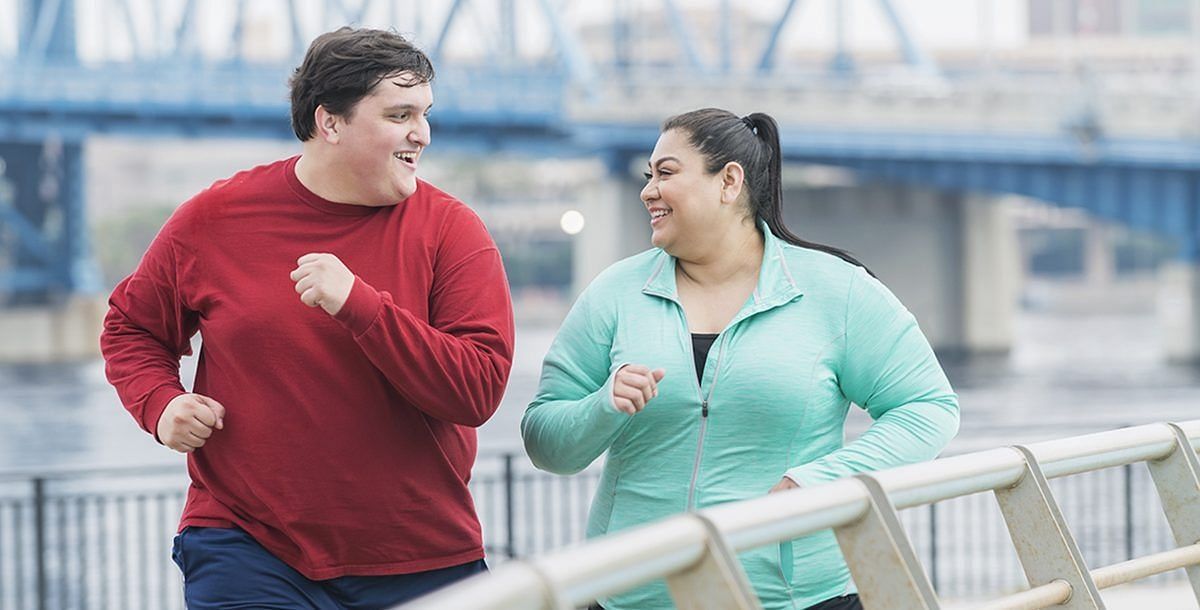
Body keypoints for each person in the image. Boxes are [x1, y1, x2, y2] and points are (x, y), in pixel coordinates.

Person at [100, 27, 514, 609]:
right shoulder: (213, 218)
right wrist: (160, 403)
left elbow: (477, 391)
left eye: (424, 114)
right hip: (245, 544)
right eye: (399, 114)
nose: (421, 133)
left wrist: (361, 306)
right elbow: (131, 326)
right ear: (331, 122)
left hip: (420, 555)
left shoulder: (454, 230)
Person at [521, 108, 959, 610]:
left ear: (729, 181)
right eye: (648, 176)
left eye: (665, 173)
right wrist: (602, 405)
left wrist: (817, 481)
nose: (647, 190)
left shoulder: (835, 290)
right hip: (632, 596)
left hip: (795, 599)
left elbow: (928, 408)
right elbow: (545, 445)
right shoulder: (615, 293)